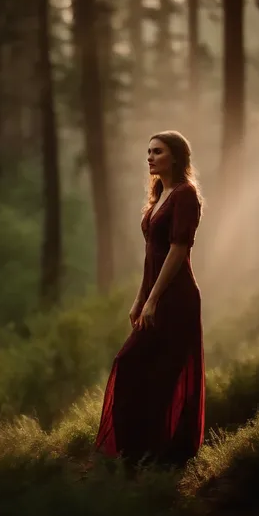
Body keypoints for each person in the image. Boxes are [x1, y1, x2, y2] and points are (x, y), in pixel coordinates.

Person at [94, 130, 205, 474]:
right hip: (156, 296)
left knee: (160, 375)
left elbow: (178, 250)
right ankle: (136, 455)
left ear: (175, 156)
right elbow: (151, 256)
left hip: (177, 299)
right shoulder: (160, 195)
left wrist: (153, 300)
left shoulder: (185, 195)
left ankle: (158, 459)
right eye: (148, 152)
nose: (150, 157)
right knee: (132, 366)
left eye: (157, 151)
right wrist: (139, 298)